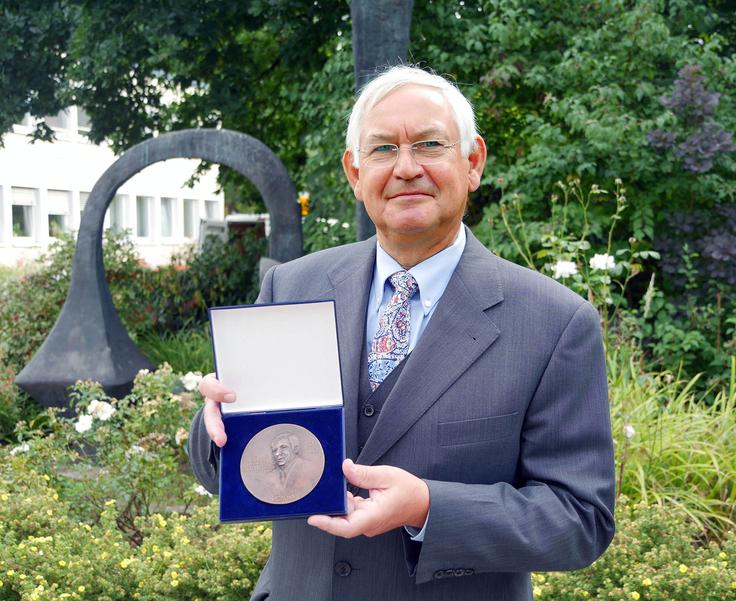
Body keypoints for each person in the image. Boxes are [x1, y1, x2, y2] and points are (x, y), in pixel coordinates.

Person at [189, 65, 615, 601]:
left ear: (473, 161)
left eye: (430, 145)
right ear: (354, 172)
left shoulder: (553, 323)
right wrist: (217, 427)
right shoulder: (292, 286)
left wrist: (428, 508)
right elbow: (232, 463)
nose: (406, 168)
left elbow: (581, 520)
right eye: (384, 149)